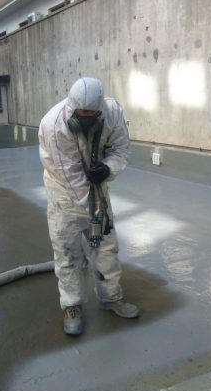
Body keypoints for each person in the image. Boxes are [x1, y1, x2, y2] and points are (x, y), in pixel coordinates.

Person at [38, 77, 139, 335]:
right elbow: (70, 177)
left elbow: (121, 149)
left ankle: (111, 297)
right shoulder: (53, 126)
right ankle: (72, 305)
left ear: (99, 110)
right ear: (72, 108)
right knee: (68, 253)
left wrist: (107, 168)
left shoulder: (113, 113)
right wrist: (96, 214)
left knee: (106, 248)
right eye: (80, 114)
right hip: (63, 193)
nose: (84, 118)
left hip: (97, 188)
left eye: (90, 114)